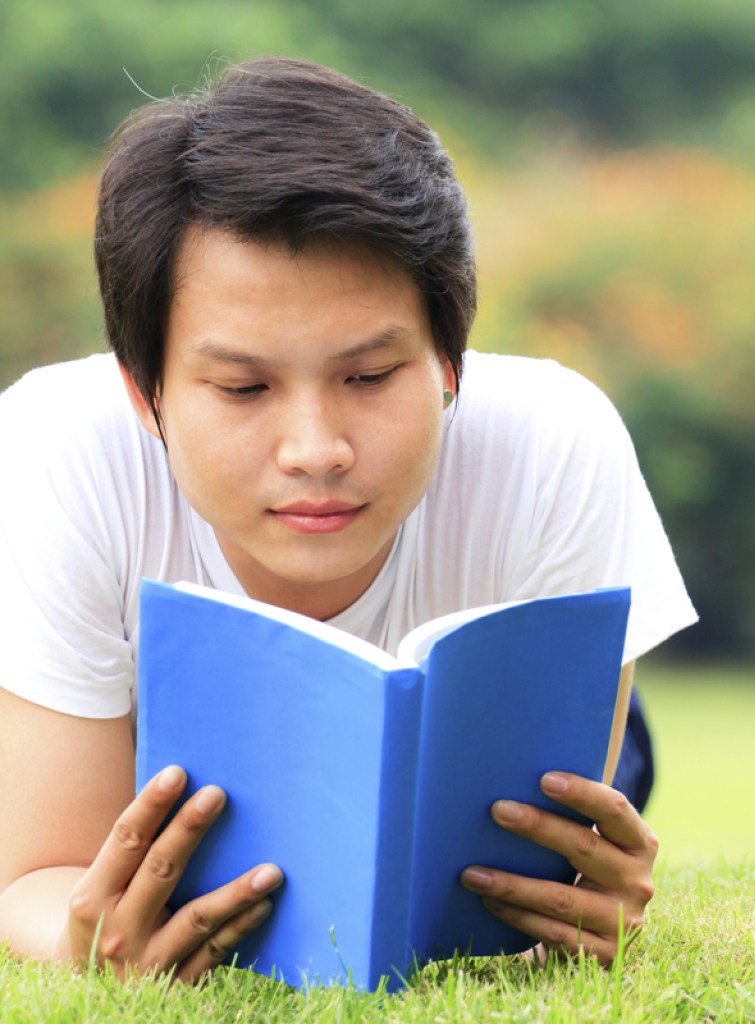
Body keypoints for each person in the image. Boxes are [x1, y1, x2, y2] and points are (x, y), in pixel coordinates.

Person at [0, 57, 697, 983]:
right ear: (146, 392)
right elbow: (41, 877)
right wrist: (88, 944)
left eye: (369, 377)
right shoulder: (58, 448)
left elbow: (549, 879)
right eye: (243, 387)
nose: (316, 449)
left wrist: (582, 897)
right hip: (121, 735)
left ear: (450, 361)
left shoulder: (555, 441)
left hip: (469, 731)